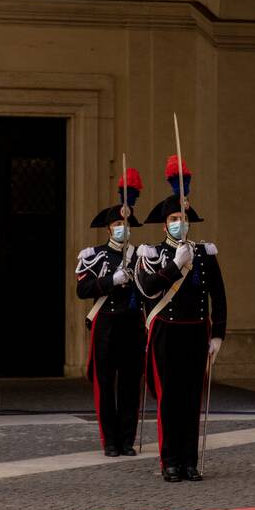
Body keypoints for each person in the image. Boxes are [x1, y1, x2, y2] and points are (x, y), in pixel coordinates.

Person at [134, 156, 226, 483]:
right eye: (173, 219)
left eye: (182, 218)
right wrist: (174, 265)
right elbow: (146, 289)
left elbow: (219, 295)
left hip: (196, 332)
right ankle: (170, 461)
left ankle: (190, 461)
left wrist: (218, 336)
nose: (178, 223)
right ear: (164, 224)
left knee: (191, 400)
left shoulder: (204, 254)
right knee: (170, 400)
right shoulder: (151, 254)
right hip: (166, 332)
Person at [75, 168, 146, 458]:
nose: (121, 228)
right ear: (108, 228)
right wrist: (110, 281)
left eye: (124, 224)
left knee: (130, 384)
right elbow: (82, 290)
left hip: (132, 325)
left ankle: (127, 439)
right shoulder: (95, 255)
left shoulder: (141, 254)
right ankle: (111, 441)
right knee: (105, 384)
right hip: (106, 326)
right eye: (117, 224)